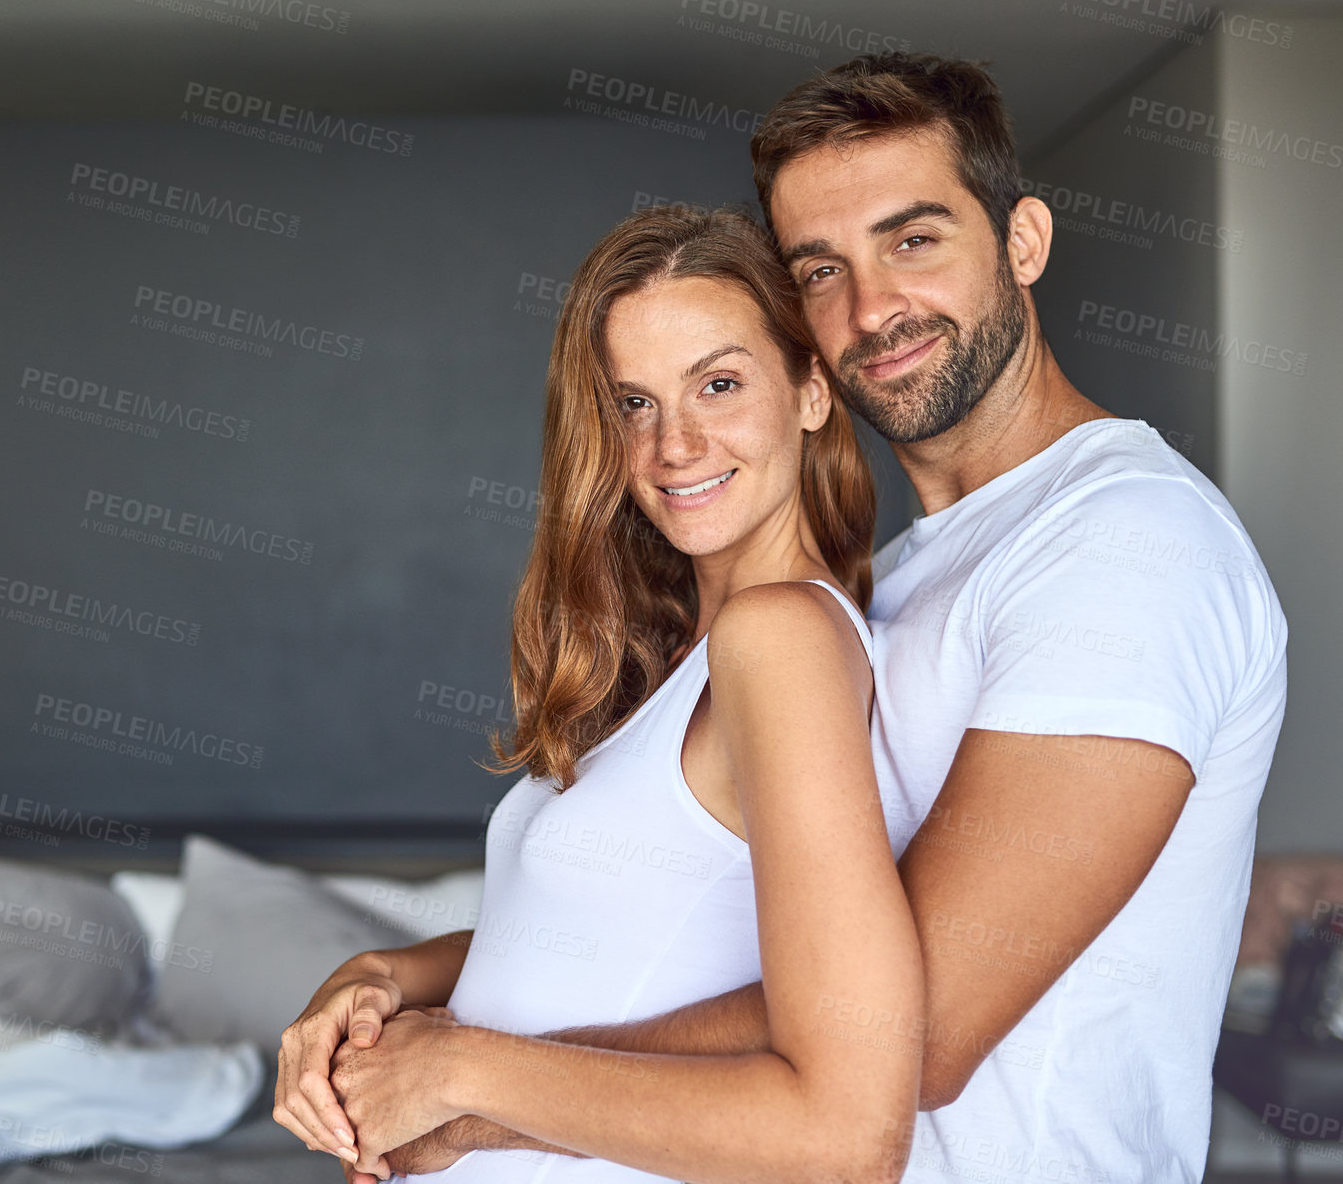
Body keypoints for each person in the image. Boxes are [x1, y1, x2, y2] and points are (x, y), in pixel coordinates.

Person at [293, 51, 1290, 1183]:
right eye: (821, 268)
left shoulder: (1126, 544)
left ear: (1022, 242)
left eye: (913, 240)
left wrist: (474, 1084)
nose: (869, 308)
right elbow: (712, 929)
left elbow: (914, 1035)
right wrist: (405, 978)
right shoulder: (904, 579)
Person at [275, 204, 927, 1182]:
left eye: (718, 383)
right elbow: (608, 936)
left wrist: (459, 1070)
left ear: (810, 388)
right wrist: (387, 974)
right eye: (634, 403)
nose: (674, 445)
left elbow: (845, 1138)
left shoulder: (780, 640)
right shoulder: (682, 658)